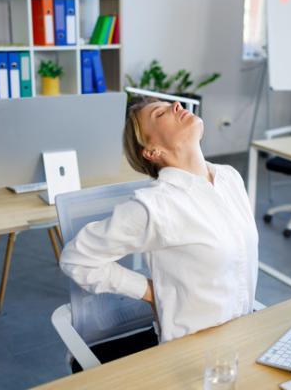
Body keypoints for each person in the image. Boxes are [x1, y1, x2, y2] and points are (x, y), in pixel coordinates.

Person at [60, 97, 259, 343]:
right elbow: (77, 259)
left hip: (244, 336)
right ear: (152, 151)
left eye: (170, 104)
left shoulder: (230, 178)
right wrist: (149, 291)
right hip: (195, 353)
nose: (176, 104)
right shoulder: (156, 206)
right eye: (159, 113)